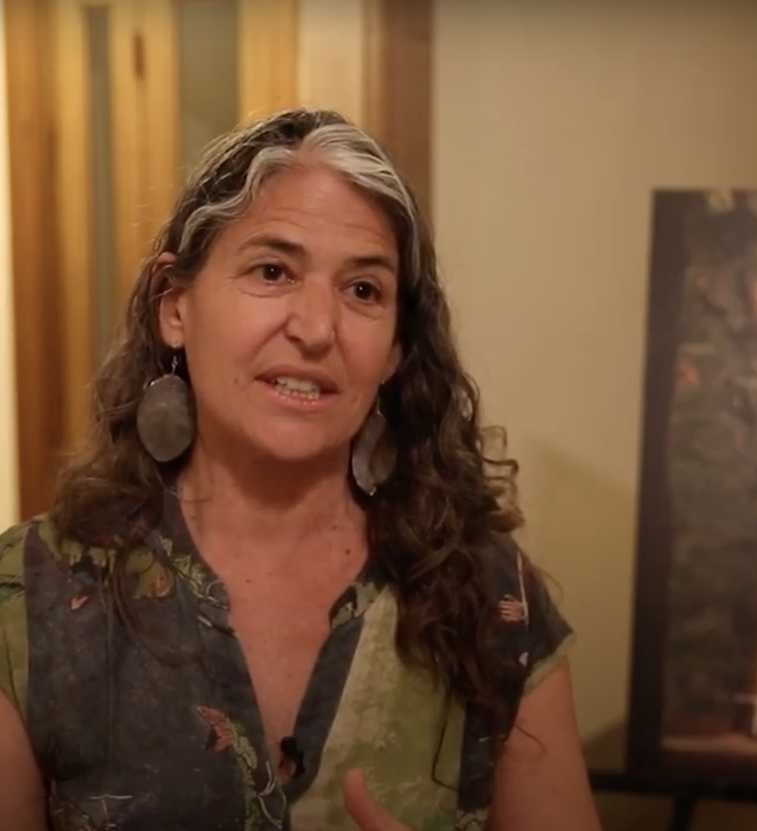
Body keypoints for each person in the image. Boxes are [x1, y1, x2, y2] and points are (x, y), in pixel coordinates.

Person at [0, 109, 601, 830]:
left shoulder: (495, 601)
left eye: (363, 291)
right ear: (175, 306)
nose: (317, 329)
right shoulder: (29, 600)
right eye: (273, 270)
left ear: (396, 351)